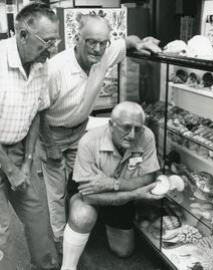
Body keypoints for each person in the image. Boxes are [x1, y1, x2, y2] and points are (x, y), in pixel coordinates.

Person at [39, 12, 162, 246]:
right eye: (91, 42)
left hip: (79, 129)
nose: (97, 48)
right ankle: (59, 239)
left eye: (102, 42)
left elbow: (127, 41)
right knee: (56, 191)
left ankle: (83, 224)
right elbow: (38, 112)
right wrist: (50, 145)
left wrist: (139, 41)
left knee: (80, 183)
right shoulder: (56, 69)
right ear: (77, 38)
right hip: (52, 133)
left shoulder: (104, 54)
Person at [60, 101, 162, 270]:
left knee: (123, 251)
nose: (132, 134)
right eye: (126, 127)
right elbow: (89, 196)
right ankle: (67, 266)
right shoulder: (89, 141)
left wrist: (113, 184)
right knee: (82, 216)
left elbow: (148, 178)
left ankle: (103, 221)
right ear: (111, 125)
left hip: (118, 188)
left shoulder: (147, 136)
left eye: (138, 128)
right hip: (89, 192)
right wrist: (134, 193)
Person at [0, 3, 60, 270]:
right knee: (1, 229)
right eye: (46, 41)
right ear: (23, 34)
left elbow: (36, 112)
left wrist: (25, 162)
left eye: (54, 40)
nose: (53, 48)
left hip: (17, 150)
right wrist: (10, 170)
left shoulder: (40, 63)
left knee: (36, 217)